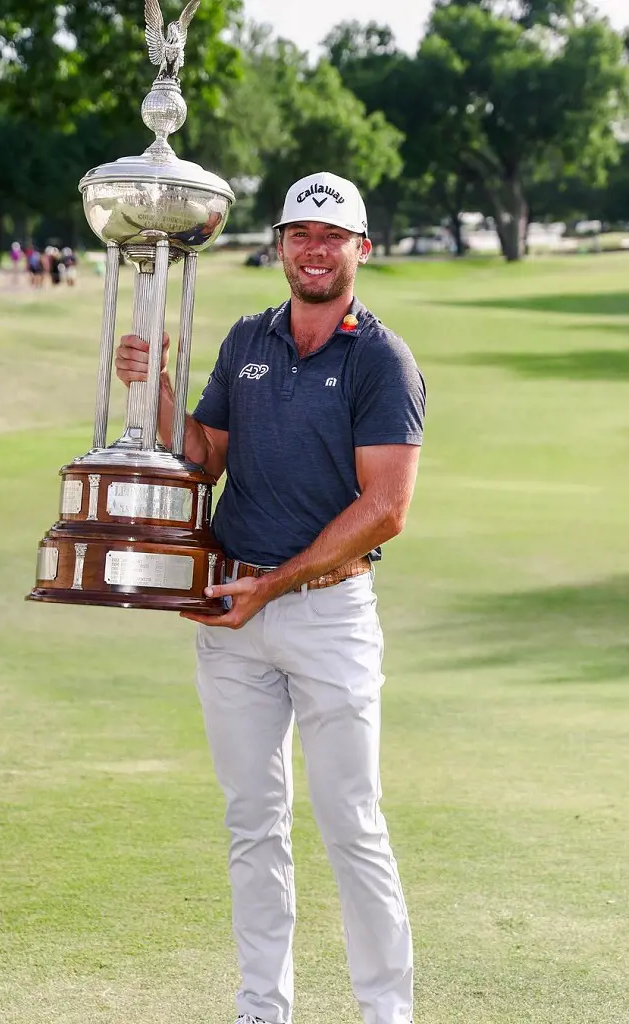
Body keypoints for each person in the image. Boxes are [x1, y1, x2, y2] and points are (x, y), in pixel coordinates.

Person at [115, 171, 426, 1024]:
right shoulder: (249, 338)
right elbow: (202, 458)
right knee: (253, 823)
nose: (315, 250)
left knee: (350, 823)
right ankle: (262, 1008)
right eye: (300, 235)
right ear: (280, 246)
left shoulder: (381, 360)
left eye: (332, 237)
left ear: (362, 249)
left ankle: (385, 1012)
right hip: (232, 619)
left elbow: (385, 510)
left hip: (327, 617)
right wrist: (158, 391)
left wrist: (274, 587)